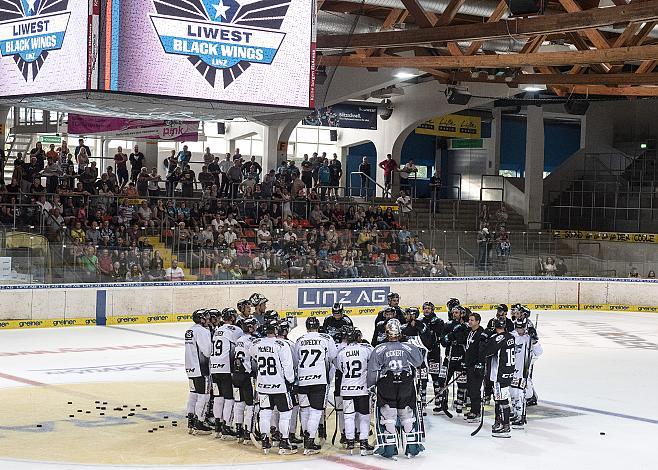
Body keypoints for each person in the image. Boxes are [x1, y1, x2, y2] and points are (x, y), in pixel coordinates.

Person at [367, 319, 425, 459]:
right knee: (407, 414)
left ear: (386, 333)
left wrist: (372, 386)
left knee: (388, 415)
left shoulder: (379, 348)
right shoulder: (407, 347)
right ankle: (413, 447)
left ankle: (388, 449)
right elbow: (419, 362)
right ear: (400, 333)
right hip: (405, 382)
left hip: (387, 383)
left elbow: (373, 370)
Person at [249, 319, 297, 455]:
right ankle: (284, 443)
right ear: (276, 330)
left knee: (265, 412)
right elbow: (287, 366)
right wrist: (291, 381)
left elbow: (252, 354)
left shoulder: (256, 343)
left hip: (263, 386)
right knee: (285, 414)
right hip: (280, 386)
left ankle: (265, 441)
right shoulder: (281, 345)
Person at [294, 316, 337, 455]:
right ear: (318, 326)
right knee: (316, 411)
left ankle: (305, 436)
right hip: (319, 379)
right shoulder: (326, 338)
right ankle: (310, 441)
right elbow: (332, 357)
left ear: (306, 327)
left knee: (305, 410)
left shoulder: (299, 340)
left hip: (302, 380)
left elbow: (296, 359)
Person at [335, 327, 374, 455]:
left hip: (346, 389)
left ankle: (350, 441)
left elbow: (340, 368)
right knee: (364, 416)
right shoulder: (366, 349)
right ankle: (363, 442)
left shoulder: (342, 352)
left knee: (349, 416)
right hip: (362, 389)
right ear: (358, 337)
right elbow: (372, 364)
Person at [210, 308, 244, 439]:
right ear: (233, 318)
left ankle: (218, 427)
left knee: (218, 397)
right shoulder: (235, 330)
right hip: (225, 368)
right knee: (229, 398)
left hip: (214, 368)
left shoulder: (217, 330)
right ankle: (227, 427)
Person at [484, 318, 516, 438]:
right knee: (499, 399)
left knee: (502, 400)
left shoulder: (497, 338)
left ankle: (505, 426)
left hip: (499, 374)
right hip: (508, 372)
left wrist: (485, 340)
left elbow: (486, 352)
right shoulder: (510, 337)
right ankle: (499, 422)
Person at [510, 317, 543, 429]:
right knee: (512, 393)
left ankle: (520, 415)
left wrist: (535, 341)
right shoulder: (511, 336)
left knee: (519, 394)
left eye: (522, 328)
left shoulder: (529, 338)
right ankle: (515, 413)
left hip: (522, 370)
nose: (520, 330)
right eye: (518, 328)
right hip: (511, 369)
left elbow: (539, 352)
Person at [185, 309, 213, 435]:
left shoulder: (189, 330)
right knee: (204, 395)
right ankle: (199, 422)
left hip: (190, 367)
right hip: (201, 368)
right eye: (206, 318)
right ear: (201, 319)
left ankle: (191, 420)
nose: (208, 320)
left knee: (193, 394)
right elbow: (207, 351)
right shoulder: (202, 331)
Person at [231, 317, 258, 444]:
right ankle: (248, 433)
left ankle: (238, 431)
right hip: (247, 376)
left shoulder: (239, 339)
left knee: (239, 403)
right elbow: (255, 359)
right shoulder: (252, 340)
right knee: (250, 405)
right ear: (251, 327)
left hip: (236, 375)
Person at [438, 305, 469, 414]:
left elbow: (466, 341)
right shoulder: (447, 325)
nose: (454, 314)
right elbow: (443, 342)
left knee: (462, 383)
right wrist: (451, 335)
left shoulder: (466, 326)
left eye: (457, 312)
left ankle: (460, 404)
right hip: (448, 358)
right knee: (442, 381)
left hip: (461, 359)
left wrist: (460, 337)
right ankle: (443, 403)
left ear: (462, 314)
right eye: (453, 312)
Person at [417, 301, 445, 414]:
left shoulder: (438, 321)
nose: (426, 310)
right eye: (425, 308)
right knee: (422, 378)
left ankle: (438, 401)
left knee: (435, 377)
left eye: (428, 308)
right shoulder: (420, 322)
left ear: (432, 310)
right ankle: (422, 403)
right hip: (422, 353)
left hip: (434, 353)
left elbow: (441, 336)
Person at [464, 311, 488, 422]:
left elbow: (482, 351)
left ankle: (476, 412)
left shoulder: (481, 334)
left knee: (475, 389)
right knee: (470, 388)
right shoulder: (470, 332)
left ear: (478, 322)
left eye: (472, 320)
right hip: (470, 365)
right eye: (469, 320)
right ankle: (473, 409)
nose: (469, 322)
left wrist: (480, 364)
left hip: (477, 366)